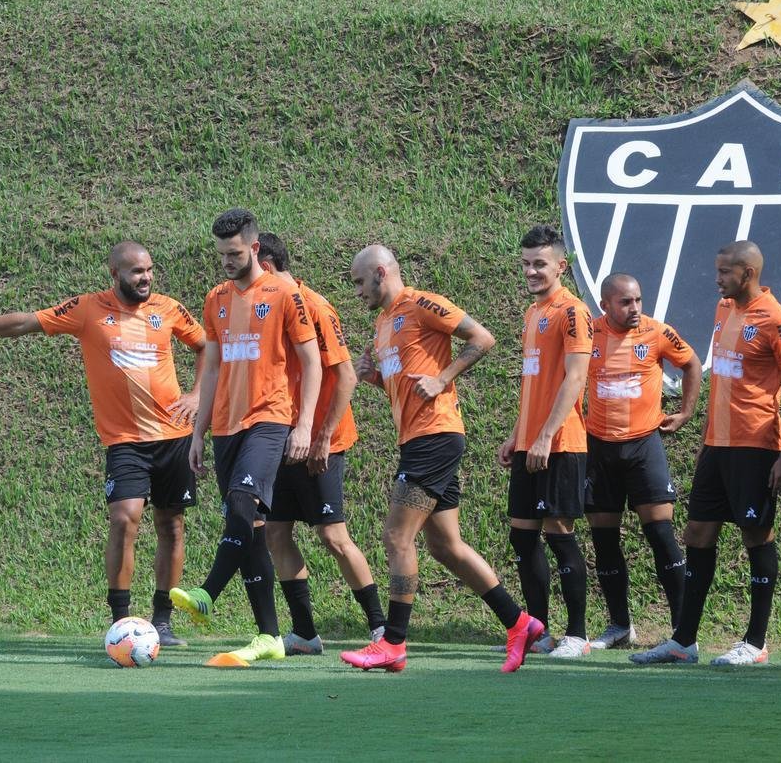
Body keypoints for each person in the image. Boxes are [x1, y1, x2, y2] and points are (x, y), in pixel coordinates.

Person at [0, 242, 205, 646]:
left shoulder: (168, 308)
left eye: (149, 270)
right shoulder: (87, 309)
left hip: (174, 437)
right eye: (136, 271)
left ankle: (162, 622)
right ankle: (121, 622)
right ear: (114, 274)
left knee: (171, 525)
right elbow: (24, 324)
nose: (146, 278)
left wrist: (198, 394)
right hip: (125, 441)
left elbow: (205, 346)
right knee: (124, 519)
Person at [341, 244, 541, 674]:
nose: (357, 291)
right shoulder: (382, 322)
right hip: (419, 438)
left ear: (381, 272)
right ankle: (519, 623)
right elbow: (405, 385)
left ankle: (393, 642)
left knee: (397, 537)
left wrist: (442, 377)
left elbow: (482, 338)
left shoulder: (422, 303)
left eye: (359, 282)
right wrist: (373, 377)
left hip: (434, 436)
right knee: (445, 545)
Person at [632, 240, 781, 666]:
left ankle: (756, 642)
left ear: (747, 273)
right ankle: (684, 641)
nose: (717, 279)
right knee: (697, 534)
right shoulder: (724, 308)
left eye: (725, 272)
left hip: (756, 447)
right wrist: (706, 440)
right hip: (717, 446)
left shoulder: (776, 321)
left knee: (756, 536)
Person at [170, 209, 322, 666]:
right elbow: (212, 369)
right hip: (225, 427)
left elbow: (311, 362)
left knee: (241, 502)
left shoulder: (284, 294)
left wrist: (304, 425)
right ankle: (269, 636)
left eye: (234, 253)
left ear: (254, 248)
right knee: (251, 528)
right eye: (221, 254)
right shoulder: (215, 298)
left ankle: (207, 592)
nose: (227, 261)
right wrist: (198, 432)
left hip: (269, 419)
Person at [254, 233, 385, 653]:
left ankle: (381, 628)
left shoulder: (314, 306)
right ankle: (306, 633)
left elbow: (345, 376)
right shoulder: (263, 306)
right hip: (280, 437)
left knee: (333, 536)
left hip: (320, 441)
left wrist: (321, 436)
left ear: (266, 266)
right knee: (276, 533)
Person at [584, 273, 701, 649]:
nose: (634, 308)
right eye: (625, 302)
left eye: (637, 300)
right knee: (604, 540)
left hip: (643, 446)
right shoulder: (588, 333)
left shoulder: (657, 332)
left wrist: (686, 412)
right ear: (605, 305)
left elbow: (691, 363)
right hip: (599, 447)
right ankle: (620, 625)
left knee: (661, 535)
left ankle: (683, 631)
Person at [497, 225, 594, 658]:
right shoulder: (532, 313)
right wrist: (518, 435)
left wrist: (546, 435)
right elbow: (533, 382)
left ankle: (577, 635)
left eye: (540, 263)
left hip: (561, 443)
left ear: (561, 266)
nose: (531, 271)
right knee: (522, 537)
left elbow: (575, 378)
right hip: (530, 443)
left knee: (559, 534)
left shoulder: (572, 311)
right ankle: (538, 631)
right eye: (526, 264)